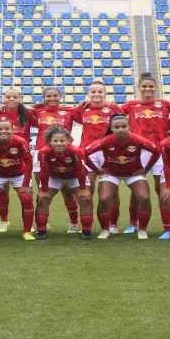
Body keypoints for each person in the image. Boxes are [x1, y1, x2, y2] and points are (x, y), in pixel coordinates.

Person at [120, 72, 170, 234]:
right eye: (144, 86)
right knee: (136, 188)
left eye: (151, 86)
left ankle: (168, 227)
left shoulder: (164, 104)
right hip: (138, 151)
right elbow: (111, 112)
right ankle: (133, 223)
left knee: (161, 188)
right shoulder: (131, 105)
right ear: (139, 88)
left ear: (156, 88)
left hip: (160, 151)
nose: (148, 89)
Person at [84, 114, 159, 240]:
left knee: (144, 197)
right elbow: (85, 153)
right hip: (111, 174)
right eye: (117, 127)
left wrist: (145, 169)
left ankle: (142, 230)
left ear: (128, 126)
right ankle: (105, 229)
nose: (120, 129)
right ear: (111, 128)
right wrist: (97, 171)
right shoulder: (106, 141)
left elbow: (156, 151)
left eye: (123, 126)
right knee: (104, 198)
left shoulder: (137, 140)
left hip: (133, 173)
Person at [71, 80, 123, 234]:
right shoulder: (84, 109)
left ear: (105, 94)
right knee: (87, 190)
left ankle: (113, 224)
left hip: (109, 152)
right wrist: (81, 105)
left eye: (100, 91)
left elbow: (122, 123)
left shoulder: (113, 108)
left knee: (112, 191)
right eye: (93, 91)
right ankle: (87, 224)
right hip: (87, 152)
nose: (96, 94)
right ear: (89, 94)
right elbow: (72, 116)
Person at [31, 87, 78, 231]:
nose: (52, 98)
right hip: (41, 153)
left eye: (55, 96)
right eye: (48, 96)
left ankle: (74, 223)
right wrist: (37, 106)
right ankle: (42, 222)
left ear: (61, 96)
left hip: (64, 153)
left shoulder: (69, 111)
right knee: (43, 191)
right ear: (43, 97)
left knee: (67, 191)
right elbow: (21, 112)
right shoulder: (37, 112)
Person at [0, 120, 34, 241]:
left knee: (26, 198)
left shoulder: (20, 142)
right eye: (0, 129)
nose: (3, 131)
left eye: (7, 129)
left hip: (18, 174)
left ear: (12, 129)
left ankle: (27, 231)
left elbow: (29, 163)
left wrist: (25, 184)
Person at [37, 127, 94, 239]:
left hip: (74, 177)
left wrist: (82, 188)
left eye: (62, 141)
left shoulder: (76, 151)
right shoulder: (44, 152)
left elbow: (80, 170)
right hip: (54, 178)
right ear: (49, 142)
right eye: (55, 141)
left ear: (68, 141)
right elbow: (44, 171)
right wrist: (43, 190)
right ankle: (41, 231)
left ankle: (86, 231)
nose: (59, 144)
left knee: (85, 198)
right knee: (42, 199)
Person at [0, 88, 36, 230]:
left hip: (23, 157)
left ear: (20, 98)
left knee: (26, 192)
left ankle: (30, 224)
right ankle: (4, 221)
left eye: (14, 97)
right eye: (8, 97)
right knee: (2, 191)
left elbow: (43, 123)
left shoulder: (28, 114)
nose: (11, 99)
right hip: (1, 156)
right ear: (3, 98)